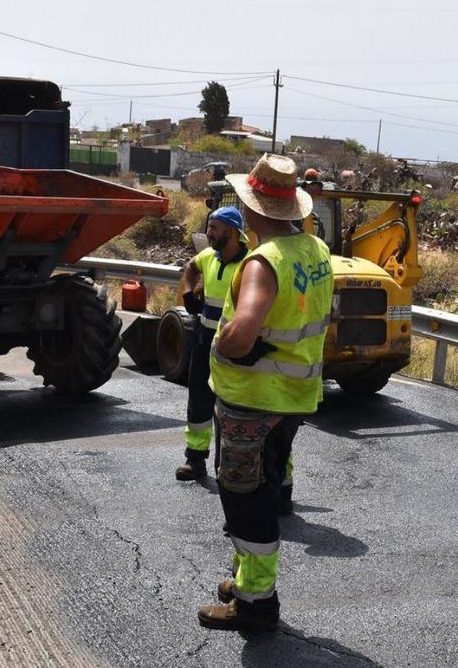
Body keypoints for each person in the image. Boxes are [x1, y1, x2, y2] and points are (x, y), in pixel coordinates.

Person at [197, 153, 333, 632]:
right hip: (292, 399)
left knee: (245, 500)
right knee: (265, 486)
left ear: (251, 209)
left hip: (251, 403)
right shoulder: (314, 249)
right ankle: (246, 580)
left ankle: (256, 603)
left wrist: (230, 344)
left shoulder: (262, 262)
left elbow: (242, 333)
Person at [174, 206, 248, 482]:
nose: (209, 232)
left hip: (233, 346)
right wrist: (187, 291)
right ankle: (195, 460)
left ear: (231, 231)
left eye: (214, 228)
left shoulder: (249, 264)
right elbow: (190, 268)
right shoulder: (209, 256)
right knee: (198, 400)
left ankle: (227, 465)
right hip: (204, 341)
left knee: (231, 405)